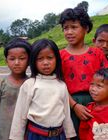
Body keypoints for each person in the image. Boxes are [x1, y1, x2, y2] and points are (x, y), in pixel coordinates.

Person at [9, 38, 76, 140]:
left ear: (57, 59)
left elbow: (66, 114)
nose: (45, 62)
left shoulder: (61, 85)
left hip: (59, 136)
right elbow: (20, 115)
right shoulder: (30, 84)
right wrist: (16, 137)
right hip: (36, 135)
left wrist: (69, 135)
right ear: (33, 62)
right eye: (40, 59)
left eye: (50, 58)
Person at [59, 4, 108, 139]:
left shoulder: (97, 53)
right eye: (65, 28)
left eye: (74, 27)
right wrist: (74, 106)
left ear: (86, 28)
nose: (69, 32)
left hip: (98, 104)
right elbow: (59, 84)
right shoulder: (59, 56)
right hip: (69, 104)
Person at [0, 38, 31, 140]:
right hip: (3, 135)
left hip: (25, 135)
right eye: (12, 59)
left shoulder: (32, 84)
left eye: (22, 58)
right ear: (6, 61)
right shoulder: (0, 84)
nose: (17, 62)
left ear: (29, 60)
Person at [79, 68, 108, 140]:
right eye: (92, 84)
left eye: (99, 86)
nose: (93, 89)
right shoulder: (89, 108)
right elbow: (83, 130)